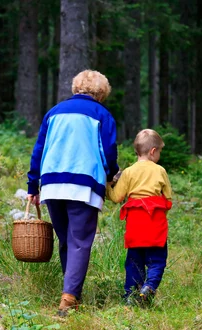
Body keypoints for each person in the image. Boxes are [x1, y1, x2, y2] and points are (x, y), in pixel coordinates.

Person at [27, 70, 120, 316]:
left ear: (75, 88)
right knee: (79, 241)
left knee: (66, 239)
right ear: (101, 93)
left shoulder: (54, 112)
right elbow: (108, 152)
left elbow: (39, 150)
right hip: (83, 183)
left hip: (52, 183)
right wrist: (112, 176)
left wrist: (32, 185)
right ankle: (69, 298)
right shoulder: (102, 114)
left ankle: (71, 293)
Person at [106, 128, 172, 305]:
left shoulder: (128, 172)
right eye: (159, 151)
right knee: (157, 260)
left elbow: (116, 197)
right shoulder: (160, 171)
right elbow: (168, 198)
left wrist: (107, 185)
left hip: (135, 223)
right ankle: (149, 287)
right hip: (155, 223)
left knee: (134, 261)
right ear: (152, 152)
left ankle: (131, 296)